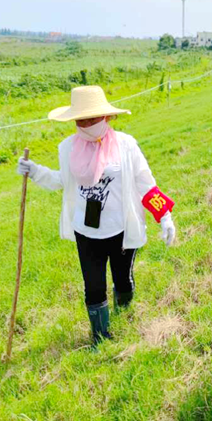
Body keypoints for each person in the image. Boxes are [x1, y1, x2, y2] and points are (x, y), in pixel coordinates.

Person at [16, 85, 177, 345]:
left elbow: (145, 183)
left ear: (108, 117)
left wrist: (164, 216)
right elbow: (62, 180)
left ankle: (124, 313)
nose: (87, 124)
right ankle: (100, 336)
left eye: (93, 118)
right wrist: (34, 171)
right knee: (93, 286)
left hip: (121, 227)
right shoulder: (67, 148)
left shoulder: (126, 145)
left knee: (123, 279)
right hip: (87, 229)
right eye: (81, 119)